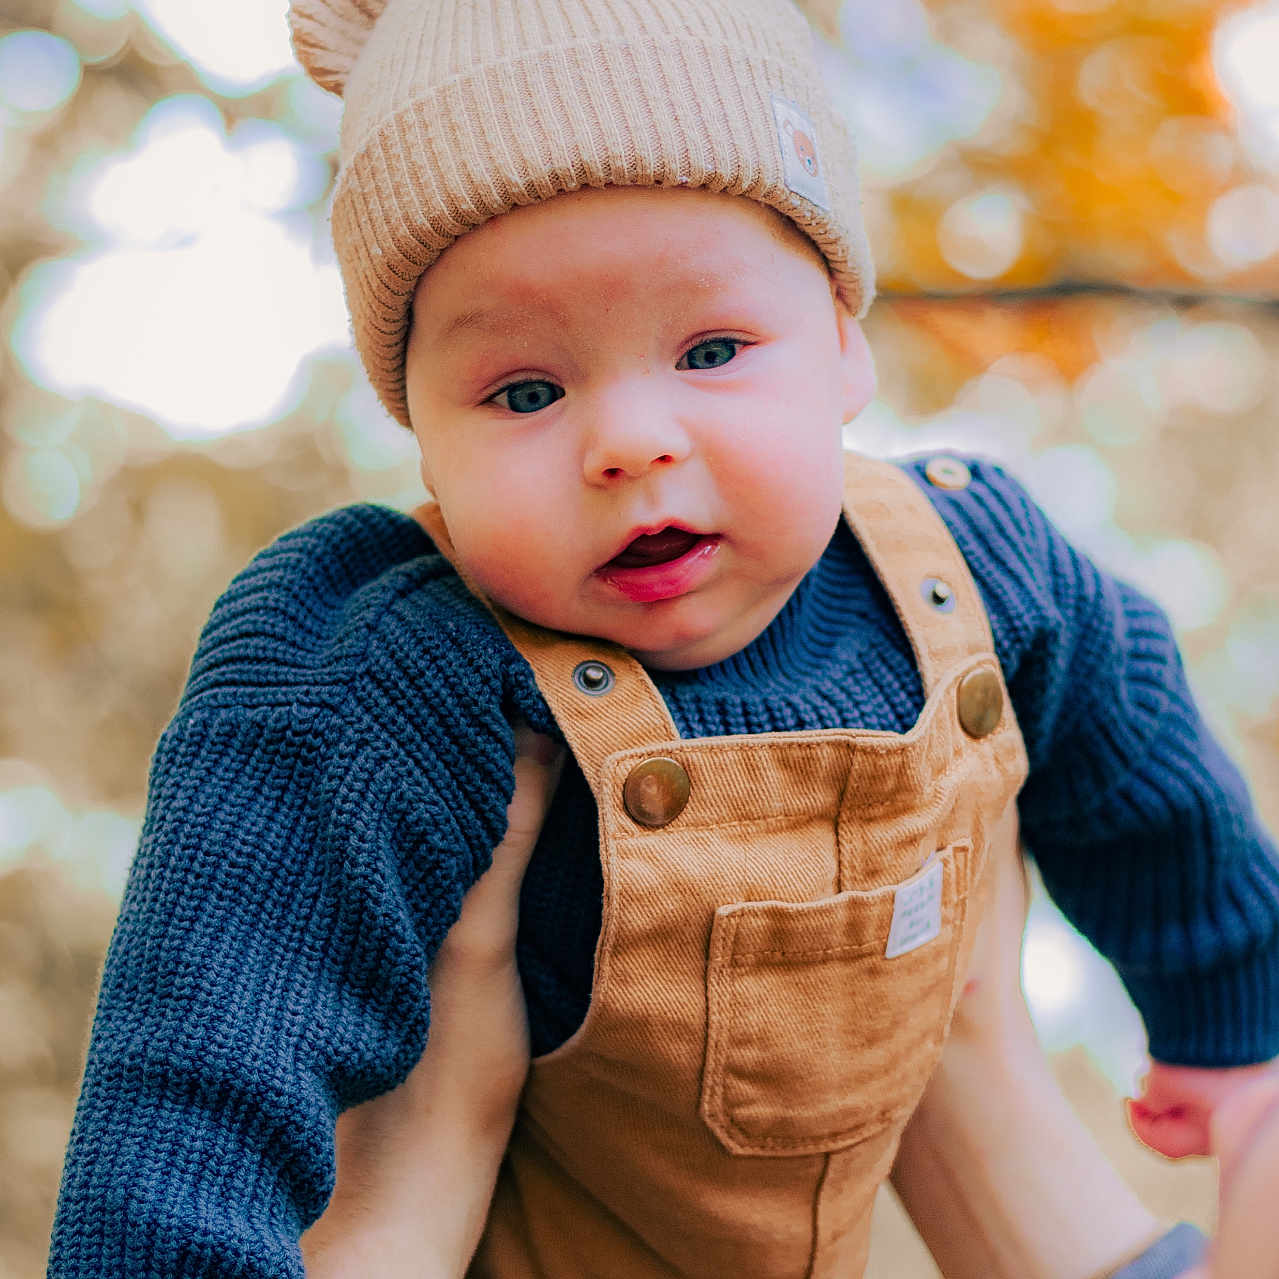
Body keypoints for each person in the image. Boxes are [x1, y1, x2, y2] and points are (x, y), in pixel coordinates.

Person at [47, 0, 1278, 1275]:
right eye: (525, 390)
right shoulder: (388, 666)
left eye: (709, 348)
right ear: (419, 434)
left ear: (846, 346)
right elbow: (202, 1067)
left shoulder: (971, 568)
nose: (629, 440)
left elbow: (1147, 773)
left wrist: (1234, 1022)